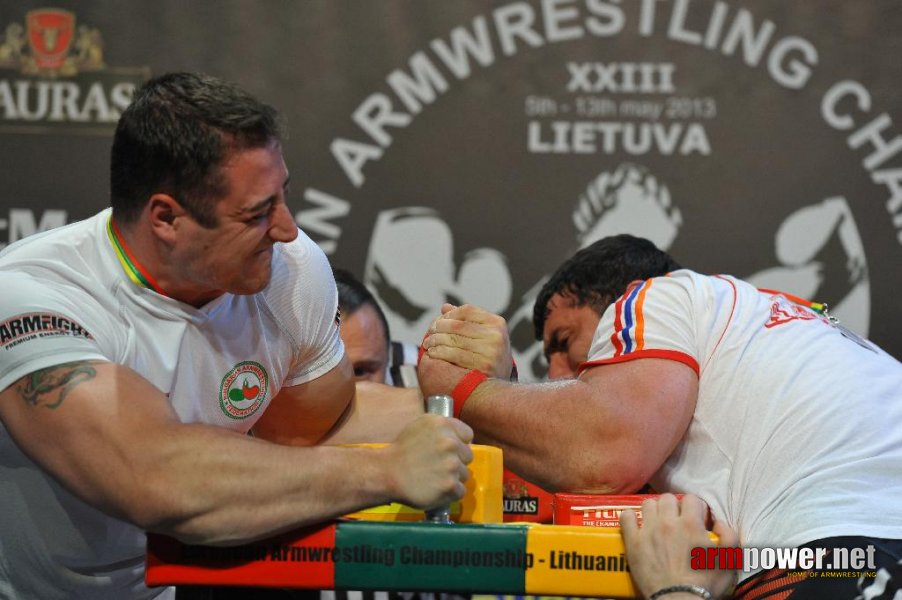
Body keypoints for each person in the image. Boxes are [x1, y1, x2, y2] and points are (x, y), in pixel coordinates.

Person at [0, 72, 475, 600]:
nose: (287, 228)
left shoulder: (290, 272)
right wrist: (385, 471)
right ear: (166, 218)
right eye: (256, 213)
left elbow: (311, 431)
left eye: (282, 197)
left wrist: (476, 399)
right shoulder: (30, 296)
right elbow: (153, 478)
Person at [418, 234, 902, 598]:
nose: (559, 374)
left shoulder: (662, 296)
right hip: (834, 549)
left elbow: (602, 453)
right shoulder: (789, 335)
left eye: (564, 343)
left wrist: (455, 388)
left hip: (846, 550)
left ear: (615, 307)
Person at [333, 267, 419, 388]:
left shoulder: (427, 379)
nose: (343, 396)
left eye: (359, 372)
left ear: (387, 354)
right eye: (319, 375)